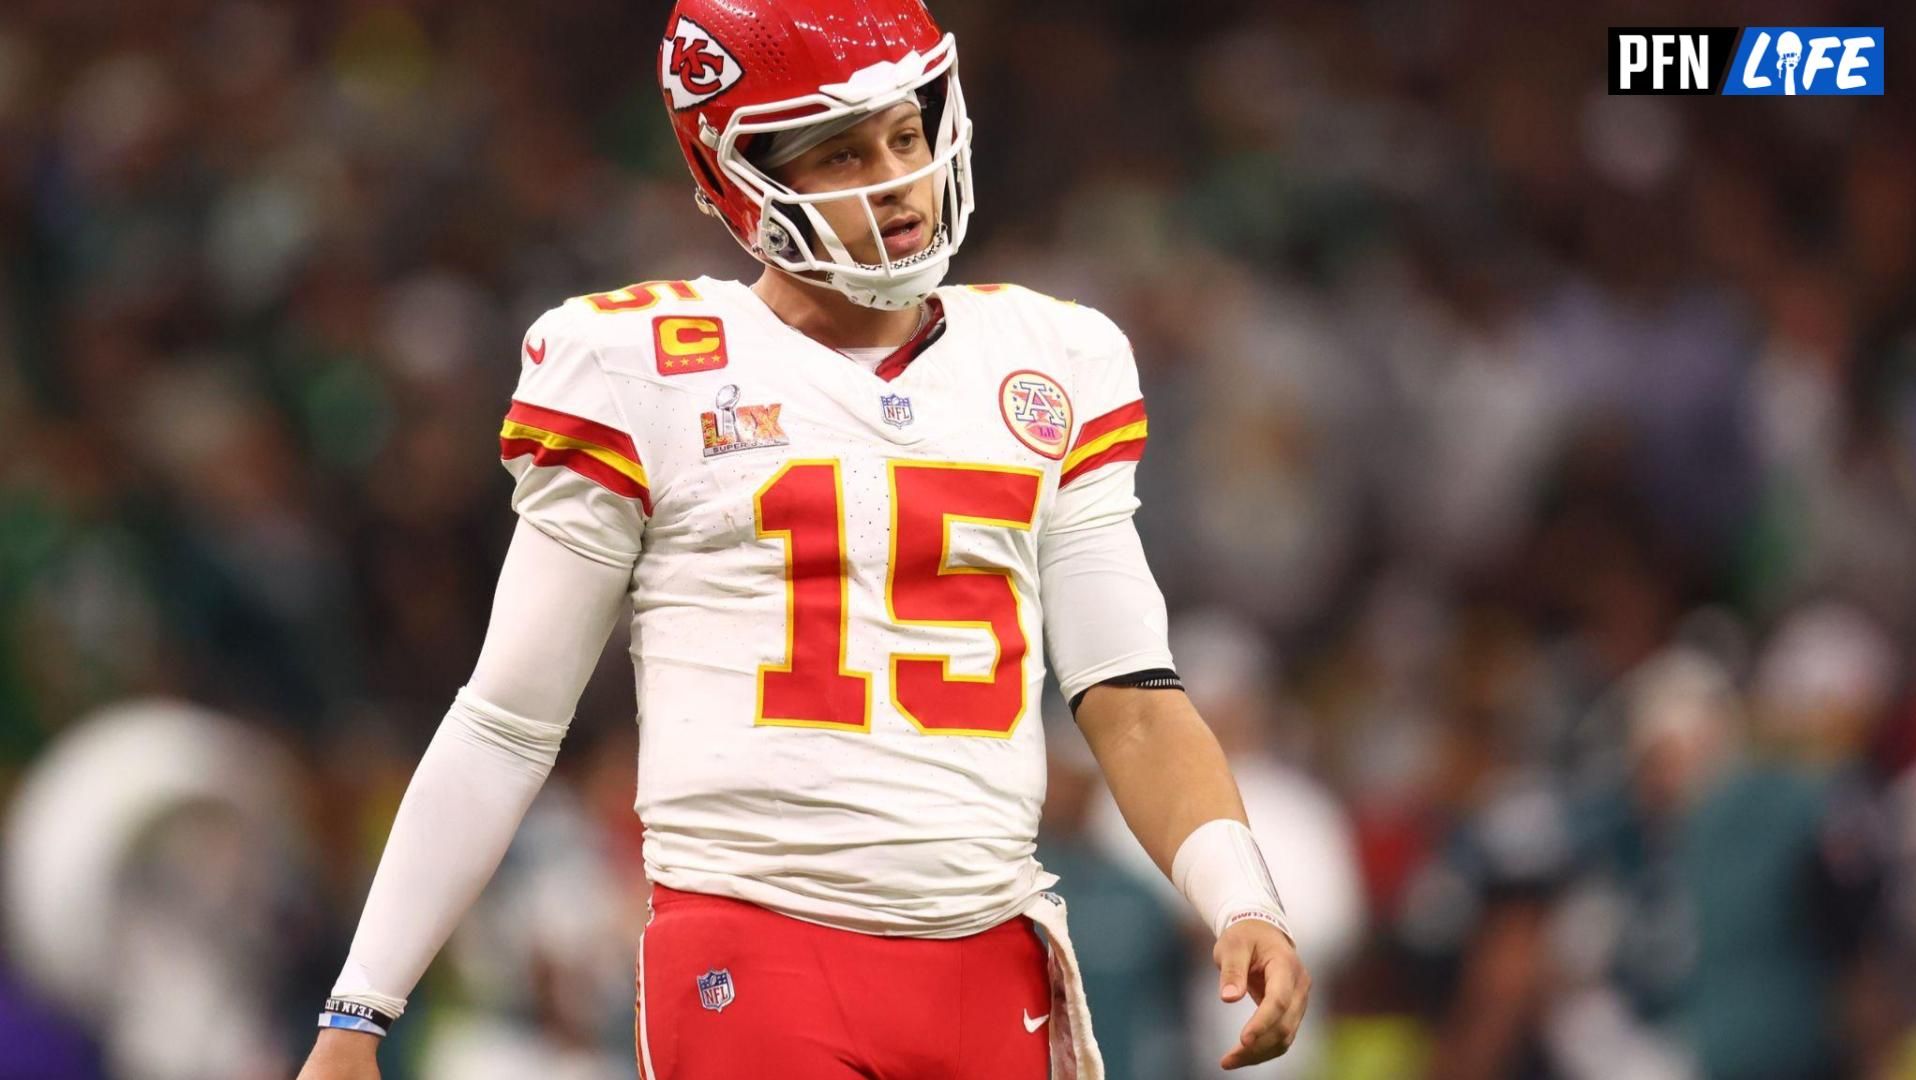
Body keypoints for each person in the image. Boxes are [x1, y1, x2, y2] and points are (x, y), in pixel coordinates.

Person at [297, 1, 1308, 1077]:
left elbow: (1134, 700)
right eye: (840, 151)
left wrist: (1242, 893)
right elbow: (507, 723)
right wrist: (359, 1009)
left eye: (906, 136)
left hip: (992, 956)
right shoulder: (642, 367)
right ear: (740, 181)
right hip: (755, 947)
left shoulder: (1052, 360)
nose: (896, 177)